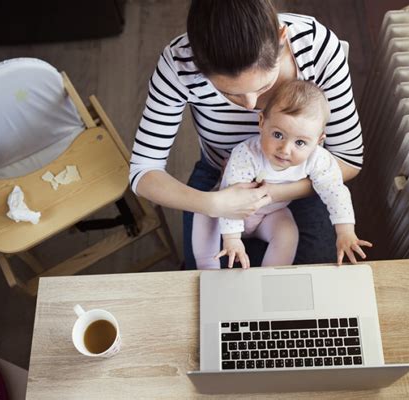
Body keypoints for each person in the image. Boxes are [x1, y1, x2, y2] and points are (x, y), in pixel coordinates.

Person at [129, 0, 364, 269]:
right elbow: (143, 172)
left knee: (315, 279)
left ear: (281, 38)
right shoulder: (179, 64)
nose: (252, 107)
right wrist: (214, 203)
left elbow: (348, 159)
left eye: (265, 85)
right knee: (207, 280)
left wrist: (273, 192)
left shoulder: (316, 47)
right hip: (219, 177)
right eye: (230, 93)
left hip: (301, 178)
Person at [193, 80, 371, 269]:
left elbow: (335, 192)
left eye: (300, 143)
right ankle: (206, 268)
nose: (285, 150)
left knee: (287, 232)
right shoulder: (247, 154)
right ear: (262, 123)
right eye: (278, 135)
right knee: (204, 213)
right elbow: (232, 197)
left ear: (318, 141)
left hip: (269, 215)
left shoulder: (319, 160)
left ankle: (271, 275)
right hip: (228, 210)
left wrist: (345, 231)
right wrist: (232, 239)